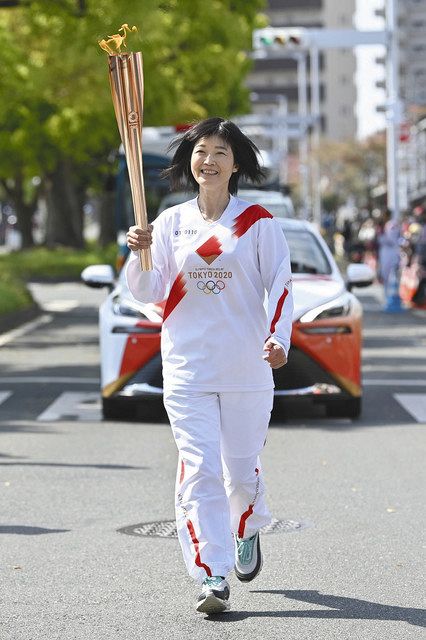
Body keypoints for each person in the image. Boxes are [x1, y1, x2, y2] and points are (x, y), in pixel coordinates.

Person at [125, 117, 293, 615]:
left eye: (221, 151)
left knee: (239, 474)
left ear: (235, 162)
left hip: (245, 368)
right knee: (198, 469)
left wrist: (278, 339)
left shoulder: (258, 222)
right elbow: (148, 293)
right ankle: (212, 575)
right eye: (201, 151)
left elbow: (280, 284)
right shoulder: (170, 224)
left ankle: (247, 526)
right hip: (187, 368)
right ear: (190, 161)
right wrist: (139, 255)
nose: (209, 160)